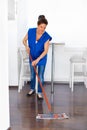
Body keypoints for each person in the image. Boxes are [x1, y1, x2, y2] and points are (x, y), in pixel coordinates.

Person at [23, 15, 52, 99]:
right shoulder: (31, 31)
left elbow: (45, 51)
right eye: (41, 26)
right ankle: (32, 89)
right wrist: (26, 46)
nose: (42, 29)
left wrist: (37, 60)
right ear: (37, 25)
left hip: (41, 58)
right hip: (32, 56)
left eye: (44, 27)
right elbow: (24, 40)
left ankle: (39, 92)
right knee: (32, 75)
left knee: (40, 76)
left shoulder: (46, 36)